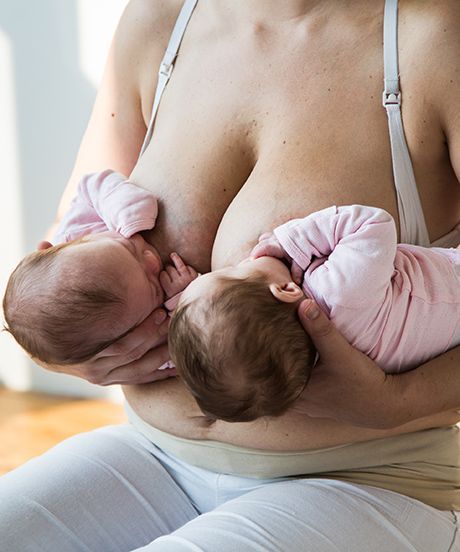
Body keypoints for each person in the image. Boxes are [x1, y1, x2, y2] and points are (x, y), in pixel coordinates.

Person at [1, 0, 459, 550]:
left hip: (370, 477)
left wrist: (395, 401)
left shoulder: (433, 38)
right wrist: (75, 358)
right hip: (152, 454)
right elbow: (65, 253)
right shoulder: (160, 22)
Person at [169, 204, 460, 422]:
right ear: (286, 290)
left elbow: (219, 342)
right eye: (236, 269)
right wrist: (292, 241)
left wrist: (182, 300)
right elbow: (375, 224)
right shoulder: (339, 292)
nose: (242, 260)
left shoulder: (315, 360)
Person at [2, 169, 196, 366]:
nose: (152, 260)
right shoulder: (140, 341)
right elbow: (178, 352)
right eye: (154, 289)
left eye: (128, 247)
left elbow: (90, 185)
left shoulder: (76, 230)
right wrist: (181, 300)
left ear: (54, 247)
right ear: (122, 343)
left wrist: (126, 212)